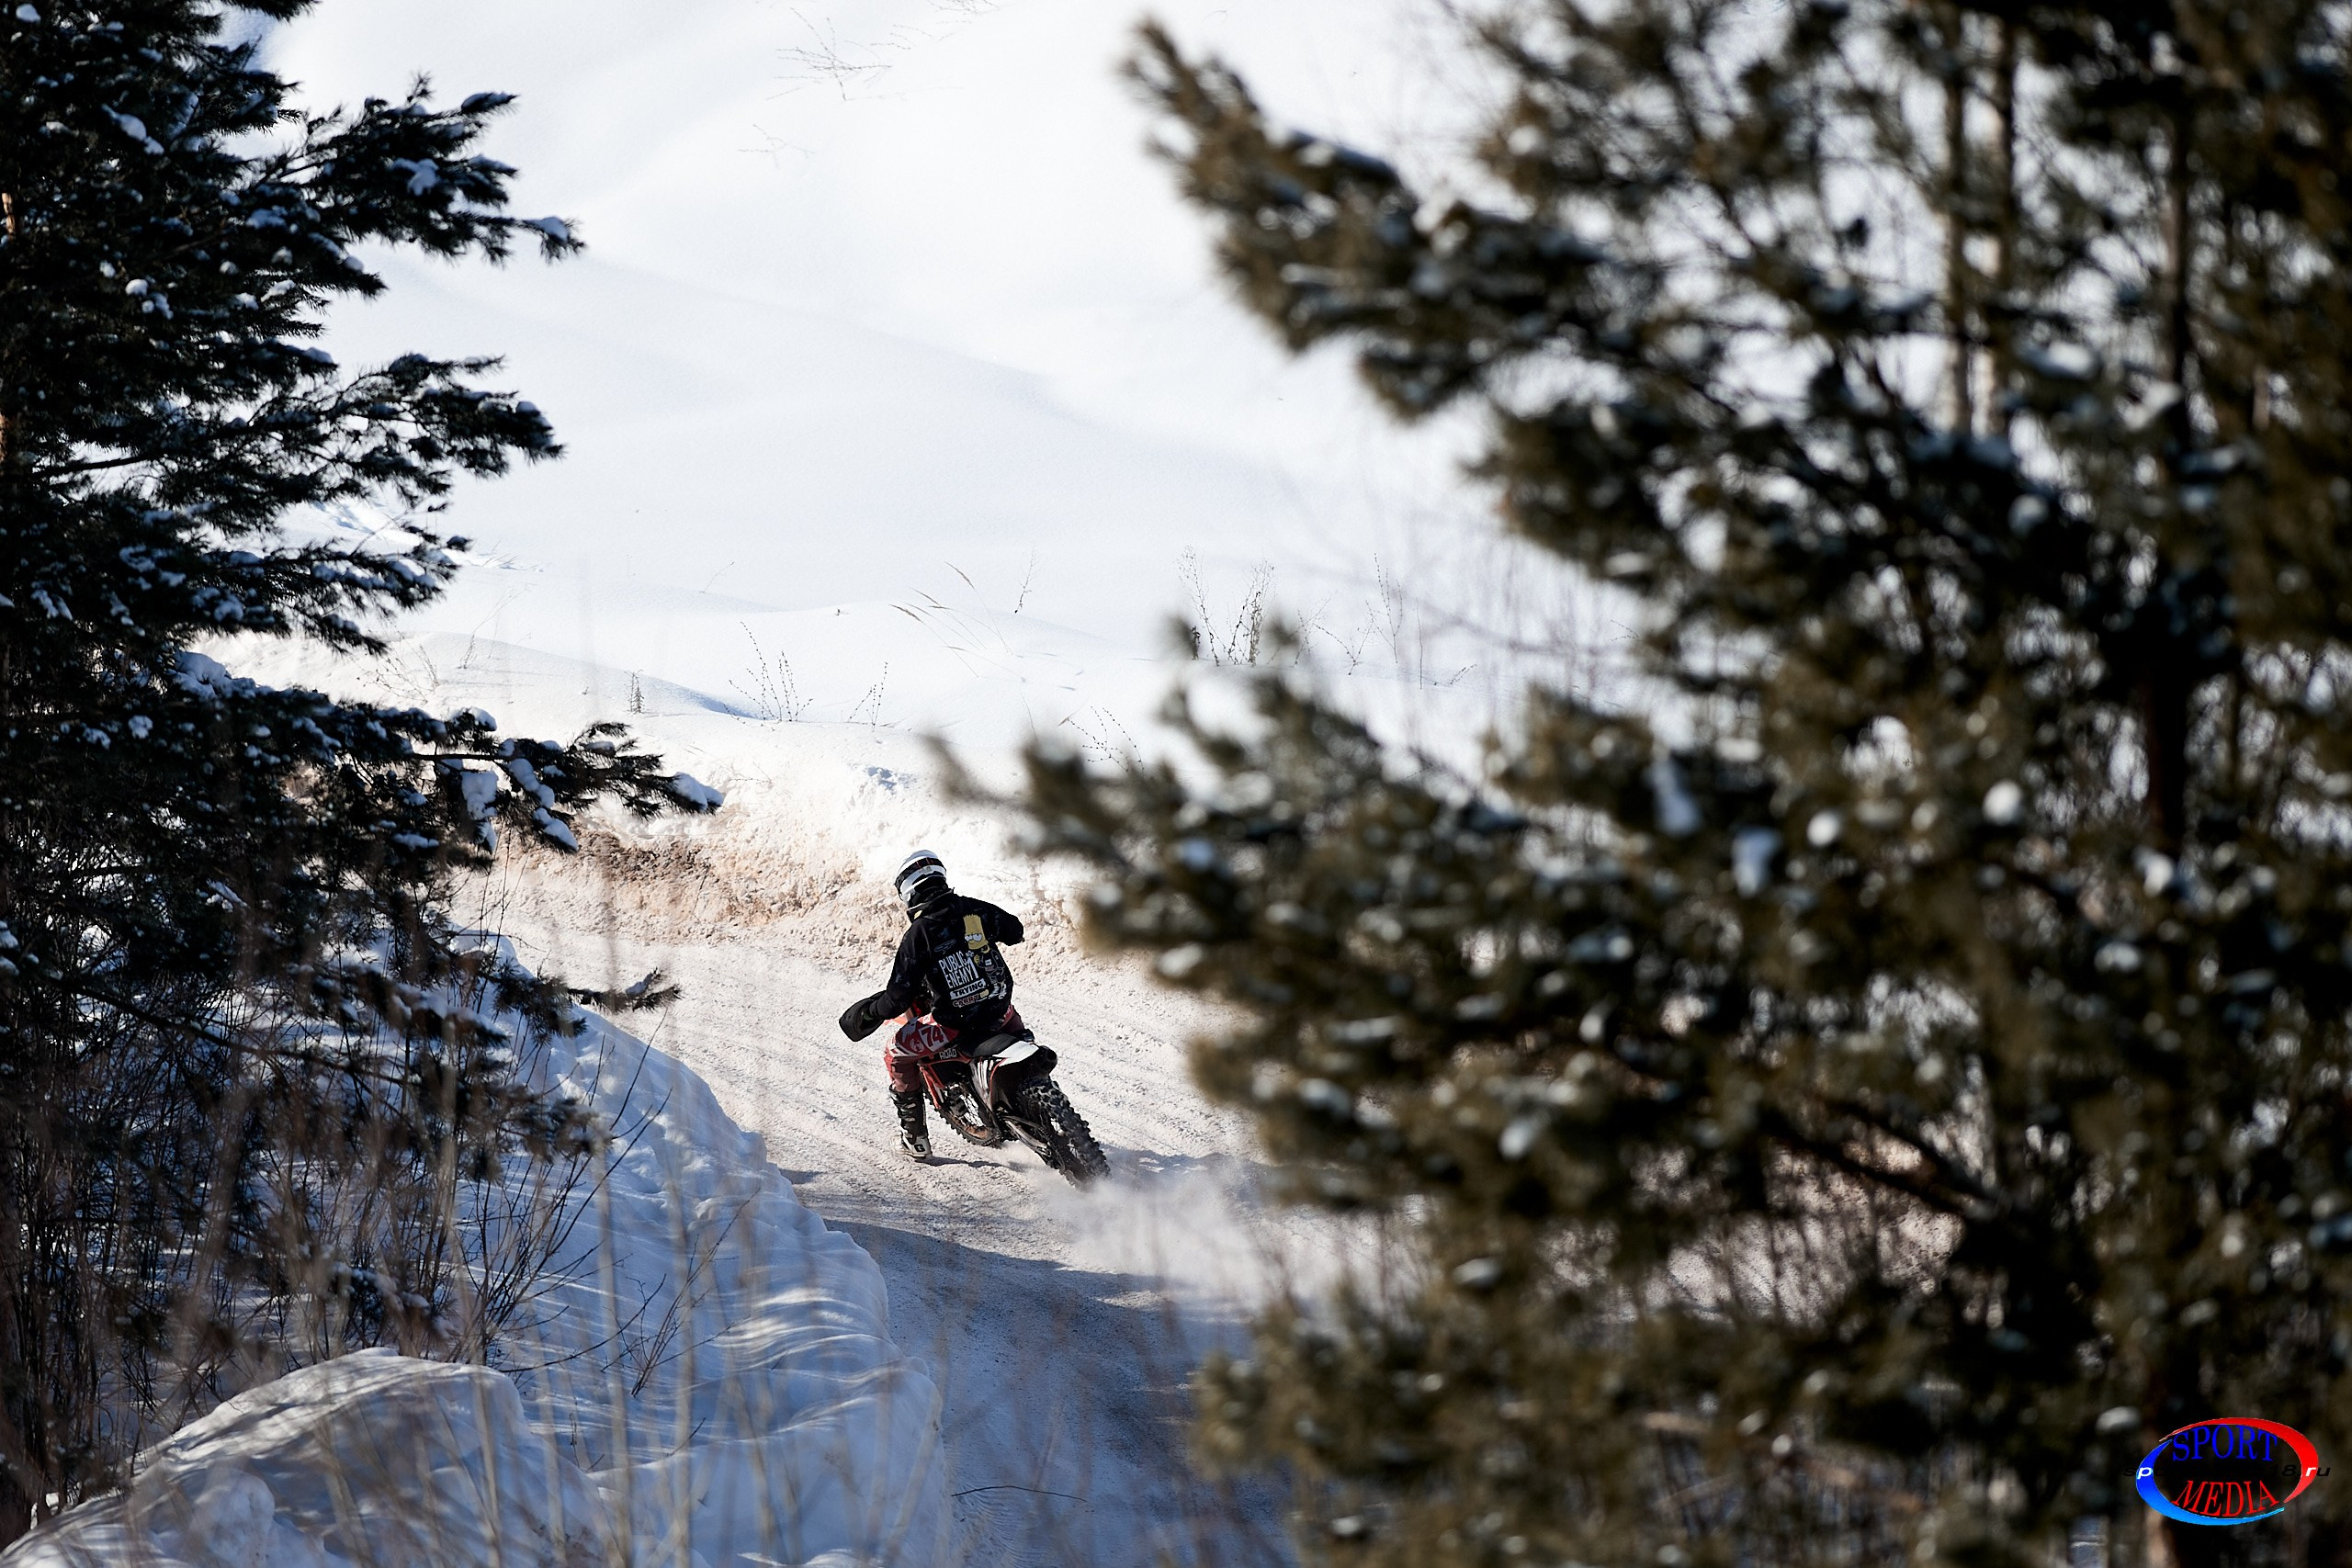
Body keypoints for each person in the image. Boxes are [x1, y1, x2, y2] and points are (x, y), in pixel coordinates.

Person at [836, 850, 1026, 1159]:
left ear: (909, 893)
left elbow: (897, 999)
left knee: (895, 1052)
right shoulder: (972, 909)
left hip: (953, 1023)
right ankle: (1022, 1060)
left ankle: (915, 1140)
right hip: (1000, 1010)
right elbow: (1015, 932)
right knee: (1003, 1010)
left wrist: (871, 1011)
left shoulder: (919, 934)